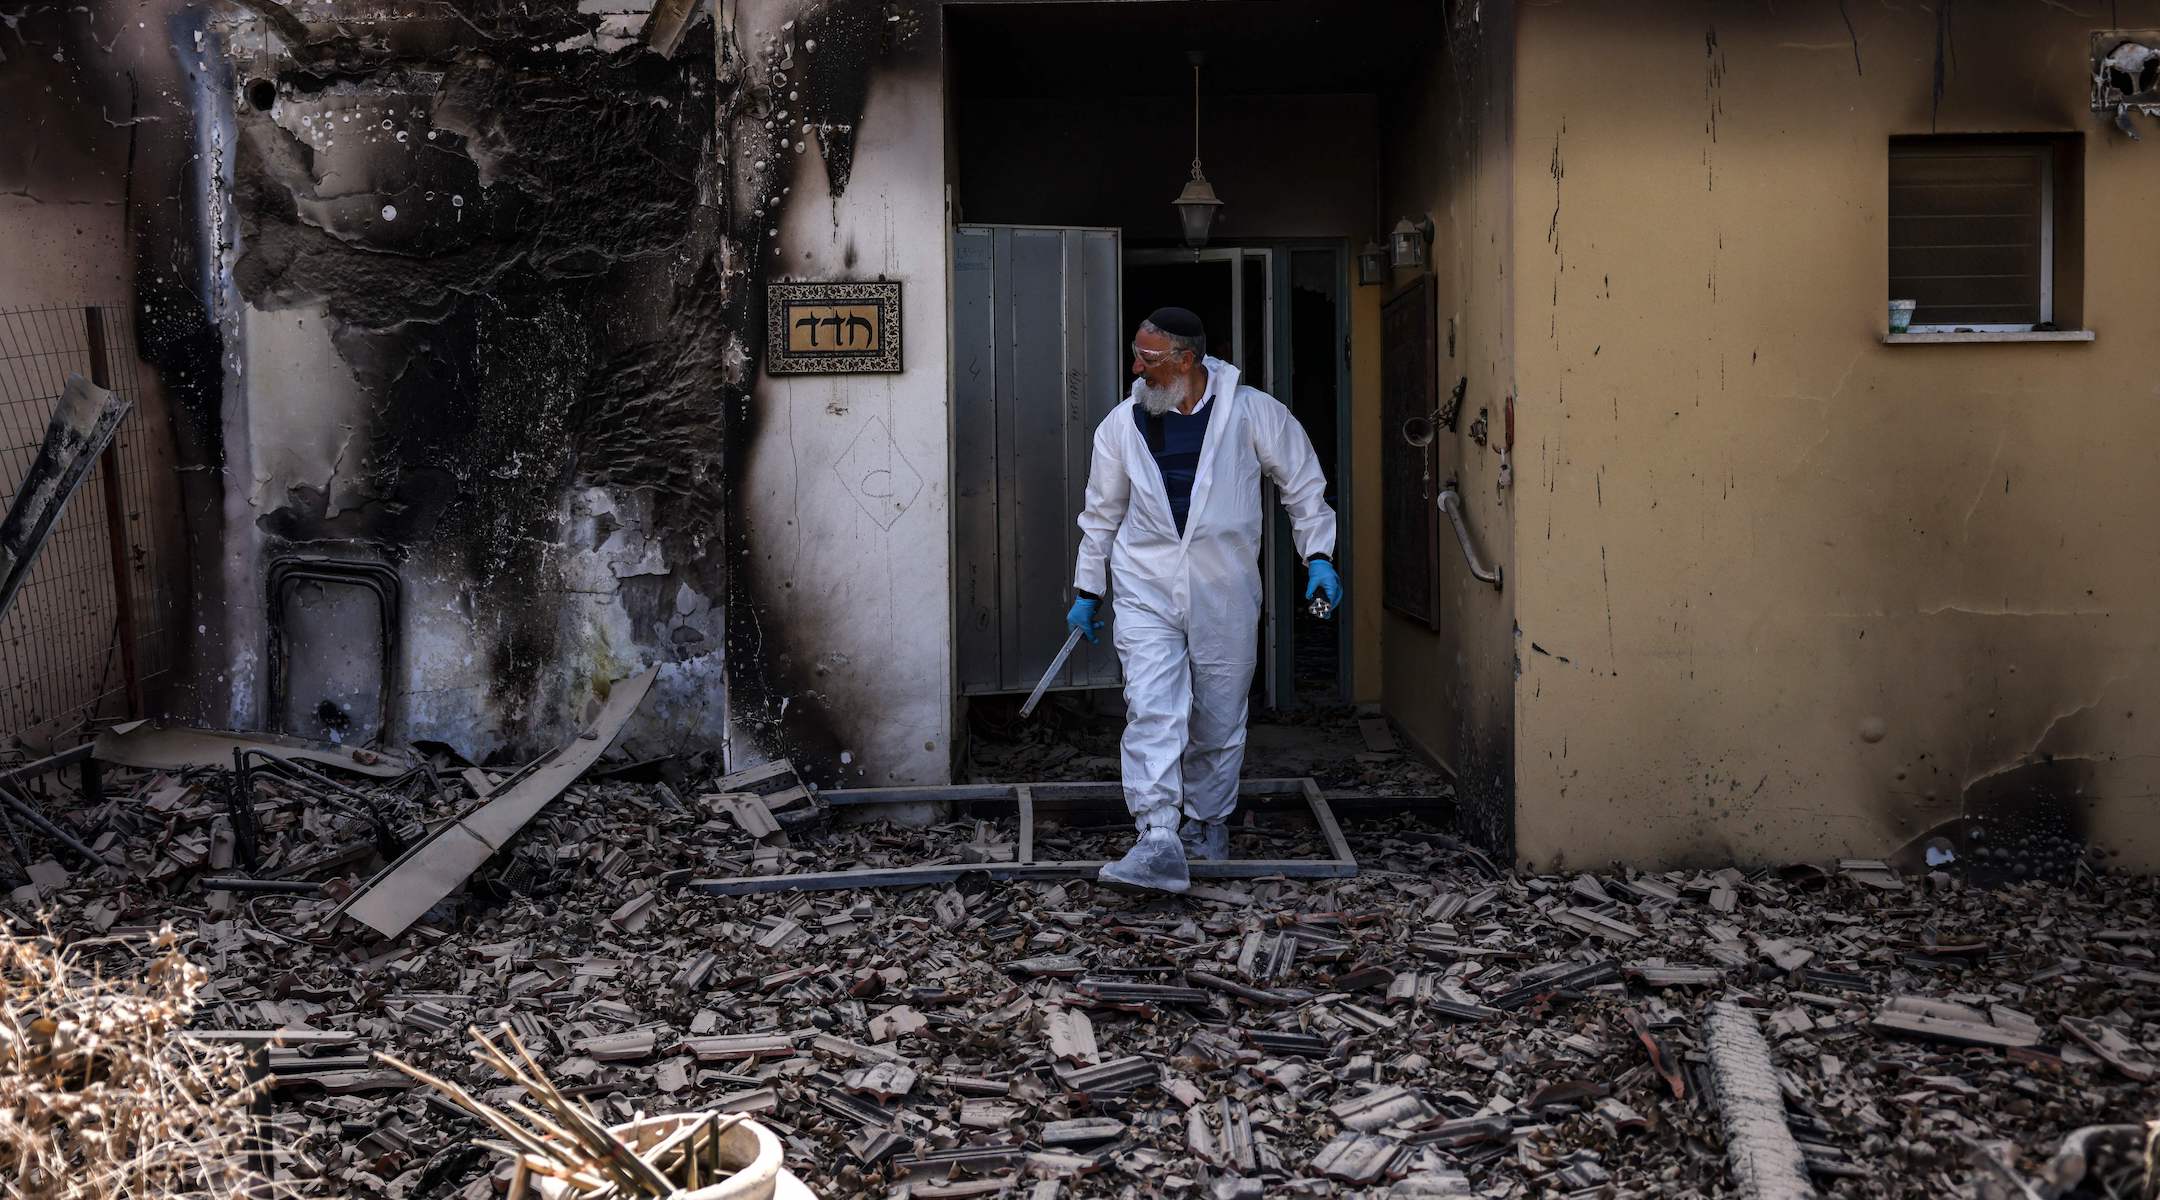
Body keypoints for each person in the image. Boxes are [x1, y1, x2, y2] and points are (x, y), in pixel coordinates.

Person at [1067, 307, 1341, 893]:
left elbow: (1303, 484)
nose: (1136, 368)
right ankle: (1157, 836)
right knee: (1152, 707)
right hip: (1145, 584)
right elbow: (1101, 512)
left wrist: (1318, 556)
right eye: (1136, 354)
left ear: (1187, 360)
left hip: (1224, 586)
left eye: (1149, 358)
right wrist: (1088, 588)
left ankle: (1207, 822)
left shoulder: (1252, 411)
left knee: (1218, 714)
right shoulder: (1120, 425)